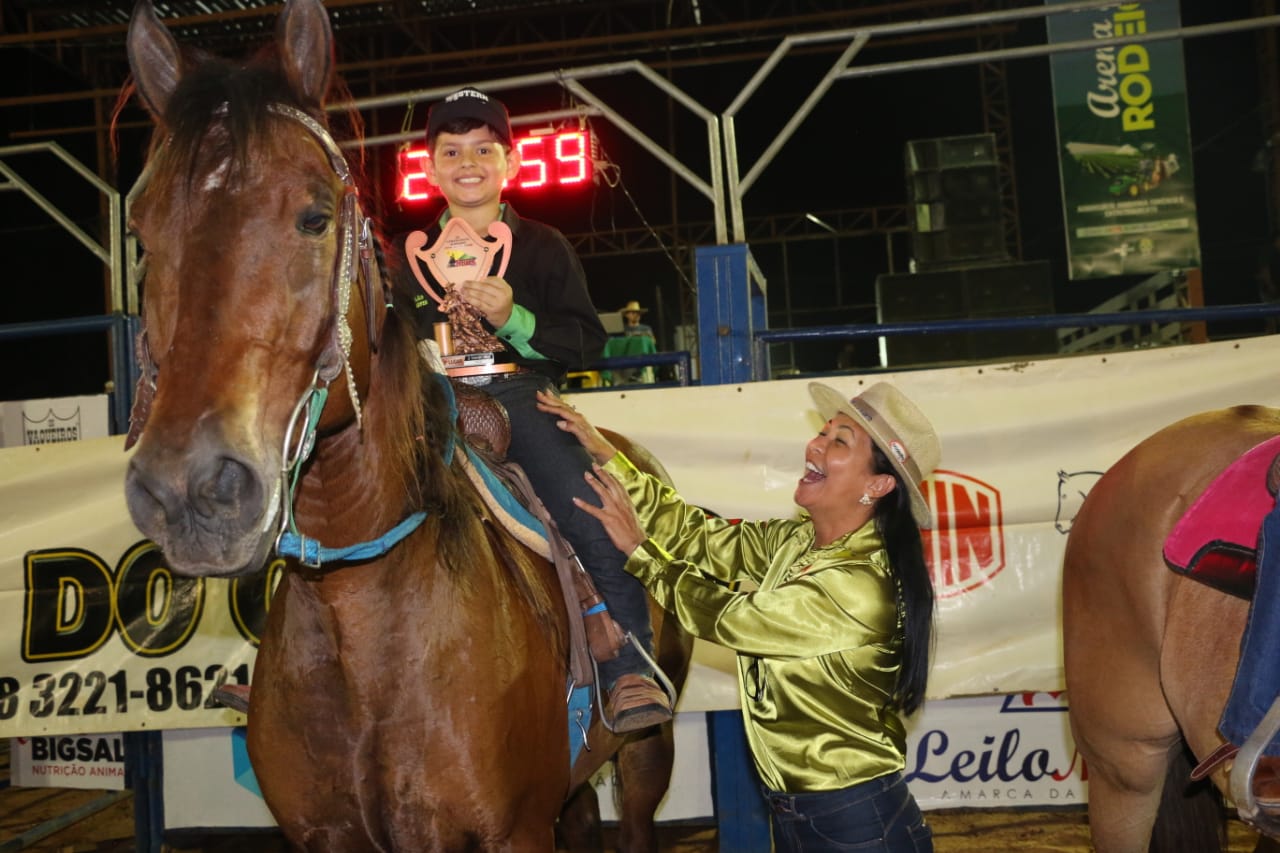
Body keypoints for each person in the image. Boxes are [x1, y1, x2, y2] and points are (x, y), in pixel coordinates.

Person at [536, 381, 940, 852]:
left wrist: (641, 553)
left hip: (855, 823)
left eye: (839, 442)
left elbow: (732, 617)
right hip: (815, 816)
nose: (815, 445)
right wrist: (608, 456)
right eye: (823, 432)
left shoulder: (860, 584)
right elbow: (697, 536)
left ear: (878, 485)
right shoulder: (798, 543)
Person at [390, 87, 670, 733]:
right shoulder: (403, 256)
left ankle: (630, 665)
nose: (468, 163)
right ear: (430, 168)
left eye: (483, 150)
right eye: (451, 151)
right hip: (430, 403)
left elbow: (585, 342)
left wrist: (514, 317)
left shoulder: (543, 245)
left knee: (587, 503)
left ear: (509, 164)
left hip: (519, 396)